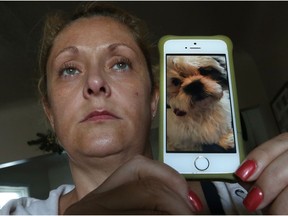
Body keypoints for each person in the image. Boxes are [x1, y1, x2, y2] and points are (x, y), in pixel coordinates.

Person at [1, 2, 288, 215]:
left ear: (153, 99)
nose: (95, 81)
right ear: (50, 112)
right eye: (69, 70)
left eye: (120, 64)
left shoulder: (246, 203)